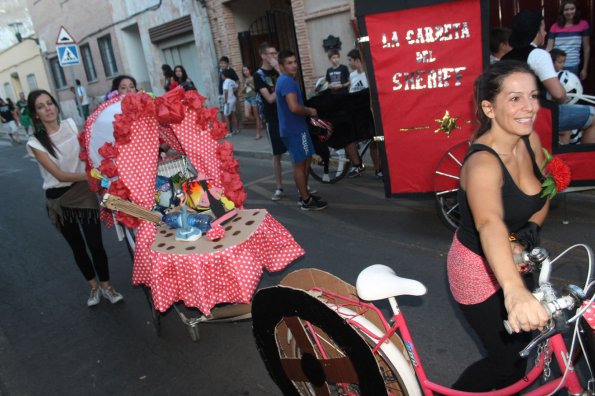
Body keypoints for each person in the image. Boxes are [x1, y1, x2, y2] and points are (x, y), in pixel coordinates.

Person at [447, 60, 550, 391]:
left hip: (518, 257)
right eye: (515, 98)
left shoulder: (529, 139)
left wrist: (531, 226)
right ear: (488, 108)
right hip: (478, 270)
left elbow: (547, 187)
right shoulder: (482, 164)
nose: (530, 107)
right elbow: (490, 223)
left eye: (533, 96)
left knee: (530, 343)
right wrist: (515, 291)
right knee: (507, 361)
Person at [25, 90, 124, 307]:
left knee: (95, 244)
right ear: (35, 114)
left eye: (49, 103)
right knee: (77, 247)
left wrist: (105, 165)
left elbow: (89, 151)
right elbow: (59, 175)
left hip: (83, 193)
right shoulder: (35, 143)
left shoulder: (71, 125)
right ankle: (94, 288)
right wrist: (93, 175)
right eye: (41, 106)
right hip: (58, 199)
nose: (48, 108)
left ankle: (107, 286)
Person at [502, 10, 595, 144]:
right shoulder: (539, 55)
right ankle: (587, 163)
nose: (545, 33)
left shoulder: (505, 58)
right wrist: (563, 95)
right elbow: (558, 94)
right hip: (539, 116)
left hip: (512, 115)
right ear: (536, 31)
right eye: (543, 29)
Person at [276, 50, 327, 211]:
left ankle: (304, 195)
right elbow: (294, 107)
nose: (294, 66)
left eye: (294, 62)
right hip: (295, 130)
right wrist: (310, 111)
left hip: (295, 129)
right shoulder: (287, 82)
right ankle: (305, 200)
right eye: (289, 63)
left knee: (305, 163)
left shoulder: (284, 80)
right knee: (300, 165)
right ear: (282, 66)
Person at [254, 42, 288, 201]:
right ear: (264, 56)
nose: (275, 56)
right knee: (277, 154)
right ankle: (279, 187)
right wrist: (281, 82)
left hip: (287, 114)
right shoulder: (259, 75)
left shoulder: (279, 70)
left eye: (276, 53)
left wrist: (279, 71)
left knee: (296, 152)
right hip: (273, 117)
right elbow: (269, 98)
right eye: (272, 54)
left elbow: (291, 83)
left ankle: (303, 183)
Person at [346, 48, 382, 178]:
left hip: (368, 114)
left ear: (357, 60)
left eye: (350, 60)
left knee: (374, 142)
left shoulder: (369, 75)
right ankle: (357, 165)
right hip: (355, 113)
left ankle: (378, 169)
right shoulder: (352, 75)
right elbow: (351, 92)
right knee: (348, 139)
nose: (349, 63)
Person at [546, 0, 591, 80]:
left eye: (572, 9)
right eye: (566, 9)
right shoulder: (555, 26)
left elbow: (586, 47)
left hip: (573, 65)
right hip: (556, 66)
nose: (569, 12)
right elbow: (549, 48)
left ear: (576, 9)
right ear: (562, 11)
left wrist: (585, 69)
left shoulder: (583, 25)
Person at [241, 65, 263, 140]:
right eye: (244, 70)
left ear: (249, 70)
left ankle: (258, 134)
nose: (245, 72)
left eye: (246, 70)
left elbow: (256, 89)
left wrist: (249, 84)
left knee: (257, 116)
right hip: (247, 98)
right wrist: (244, 88)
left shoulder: (253, 78)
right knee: (247, 115)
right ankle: (259, 123)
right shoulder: (244, 79)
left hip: (254, 98)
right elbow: (243, 91)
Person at [217, 56, 240, 123]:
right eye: (221, 63)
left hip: (229, 96)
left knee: (232, 112)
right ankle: (226, 129)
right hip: (221, 94)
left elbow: (238, 82)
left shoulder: (231, 71)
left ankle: (233, 130)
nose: (222, 65)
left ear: (227, 64)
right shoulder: (220, 70)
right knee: (222, 111)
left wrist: (234, 91)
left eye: (224, 63)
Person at [222, 69, 239, 136]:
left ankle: (229, 132)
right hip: (233, 99)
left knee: (226, 115)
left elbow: (225, 91)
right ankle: (236, 130)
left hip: (228, 101)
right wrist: (232, 91)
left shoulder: (226, 81)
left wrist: (225, 101)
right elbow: (237, 86)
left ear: (224, 75)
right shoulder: (232, 81)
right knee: (233, 114)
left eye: (222, 75)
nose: (221, 76)